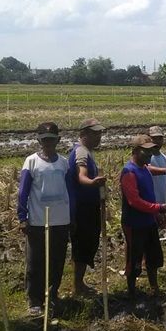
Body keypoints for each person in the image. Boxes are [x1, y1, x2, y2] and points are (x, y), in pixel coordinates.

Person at [17, 122, 72, 316]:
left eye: (52, 140)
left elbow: (69, 191)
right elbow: (23, 191)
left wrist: (70, 215)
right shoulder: (31, 162)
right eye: (44, 140)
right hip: (39, 220)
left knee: (57, 260)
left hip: (61, 219)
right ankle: (35, 300)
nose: (48, 143)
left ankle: (53, 294)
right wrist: (22, 217)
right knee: (35, 262)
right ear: (39, 141)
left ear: (58, 140)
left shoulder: (64, 163)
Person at [119, 134, 166, 296]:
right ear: (135, 151)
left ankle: (154, 288)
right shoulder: (129, 172)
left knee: (153, 256)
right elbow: (134, 201)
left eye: (150, 152)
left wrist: (156, 213)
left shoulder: (145, 169)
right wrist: (159, 208)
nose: (149, 155)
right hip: (134, 223)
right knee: (134, 260)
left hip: (149, 221)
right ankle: (131, 291)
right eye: (145, 152)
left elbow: (149, 195)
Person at [68, 118, 106, 296]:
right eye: (95, 133)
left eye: (99, 133)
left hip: (88, 206)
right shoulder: (81, 152)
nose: (98, 137)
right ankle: (77, 286)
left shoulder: (87, 151)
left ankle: (79, 283)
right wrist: (93, 183)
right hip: (82, 208)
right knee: (82, 246)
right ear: (84, 134)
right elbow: (81, 176)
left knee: (86, 244)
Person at [146, 126, 166, 235]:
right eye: (154, 138)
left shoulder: (165, 158)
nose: (157, 142)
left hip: (161, 203)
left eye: (160, 138)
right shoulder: (146, 157)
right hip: (150, 204)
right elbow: (148, 169)